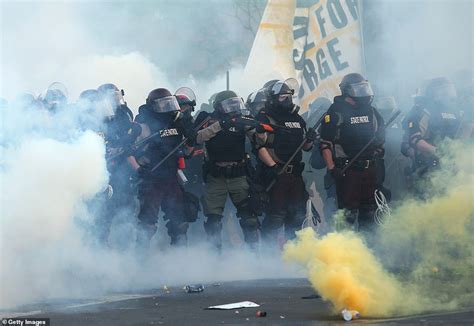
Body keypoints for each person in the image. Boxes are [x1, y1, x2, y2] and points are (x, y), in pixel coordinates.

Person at [195, 90, 267, 250]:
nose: (233, 108)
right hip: (216, 176)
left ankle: (254, 256)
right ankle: (215, 257)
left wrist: (261, 131)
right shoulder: (208, 119)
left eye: (235, 104)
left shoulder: (242, 121)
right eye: (229, 105)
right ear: (219, 107)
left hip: (239, 175)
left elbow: (259, 141)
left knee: (249, 218)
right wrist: (220, 125)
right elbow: (198, 137)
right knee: (213, 221)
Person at [130, 88, 195, 247]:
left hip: (172, 179)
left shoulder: (177, 123)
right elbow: (129, 151)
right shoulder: (144, 126)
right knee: (147, 224)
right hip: (152, 181)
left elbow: (188, 152)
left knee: (180, 223)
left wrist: (191, 139)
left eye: (169, 103)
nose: (167, 108)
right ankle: (139, 260)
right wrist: (138, 168)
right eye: (163, 104)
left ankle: (179, 259)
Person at [319, 73, 385, 232]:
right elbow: (325, 144)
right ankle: (345, 253)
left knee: (370, 214)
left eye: (365, 88)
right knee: (347, 217)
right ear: (347, 91)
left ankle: (368, 252)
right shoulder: (336, 112)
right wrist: (332, 168)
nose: (364, 92)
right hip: (347, 171)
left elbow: (380, 137)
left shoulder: (372, 111)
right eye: (359, 89)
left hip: (369, 170)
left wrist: (378, 149)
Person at [256, 79, 317, 243]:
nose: (287, 100)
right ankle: (268, 258)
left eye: (288, 96)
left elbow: (305, 147)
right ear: (273, 98)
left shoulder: (297, 119)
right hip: (276, 174)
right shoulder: (265, 117)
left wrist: (310, 139)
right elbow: (260, 147)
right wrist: (274, 168)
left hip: (295, 175)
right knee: (275, 216)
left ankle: (293, 255)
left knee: (296, 216)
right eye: (282, 97)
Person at [403, 77, 461, 184]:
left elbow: (460, 137)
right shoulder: (421, 111)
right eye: (443, 90)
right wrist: (439, 153)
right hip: (427, 165)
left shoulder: (454, 111)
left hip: (451, 164)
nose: (447, 94)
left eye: (448, 90)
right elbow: (415, 140)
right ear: (432, 93)